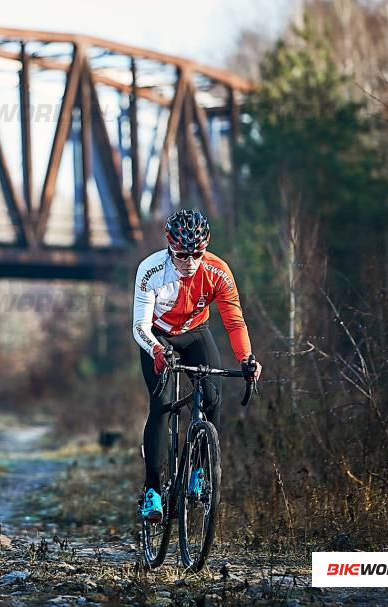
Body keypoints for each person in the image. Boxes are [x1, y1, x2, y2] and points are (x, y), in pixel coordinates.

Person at [132, 209, 262, 522]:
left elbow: (234, 322)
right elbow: (139, 326)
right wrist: (157, 350)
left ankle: (198, 473)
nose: (190, 263)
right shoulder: (151, 270)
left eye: (197, 254)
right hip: (157, 336)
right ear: (169, 248)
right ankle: (152, 491)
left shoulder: (218, 271)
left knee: (213, 397)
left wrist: (247, 359)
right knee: (162, 405)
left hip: (195, 334)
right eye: (181, 255)